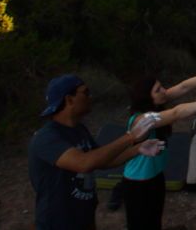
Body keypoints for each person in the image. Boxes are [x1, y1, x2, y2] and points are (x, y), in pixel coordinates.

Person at [28, 74, 164, 230]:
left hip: (83, 217)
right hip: (58, 222)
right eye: (85, 93)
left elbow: (102, 160)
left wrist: (137, 150)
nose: (90, 97)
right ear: (69, 100)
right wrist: (130, 137)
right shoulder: (46, 138)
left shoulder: (79, 129)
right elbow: (84, 163)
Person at [123, 59, 196, 230]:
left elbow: (183, 87)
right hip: (138, 183)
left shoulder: (156, 103)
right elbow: (177, 113)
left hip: (155, 176)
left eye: (162, 87)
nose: (164, 91)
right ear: (147, 97)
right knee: (140, 225)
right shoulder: (142, 120)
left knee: (154, 221)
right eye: (158, 90)